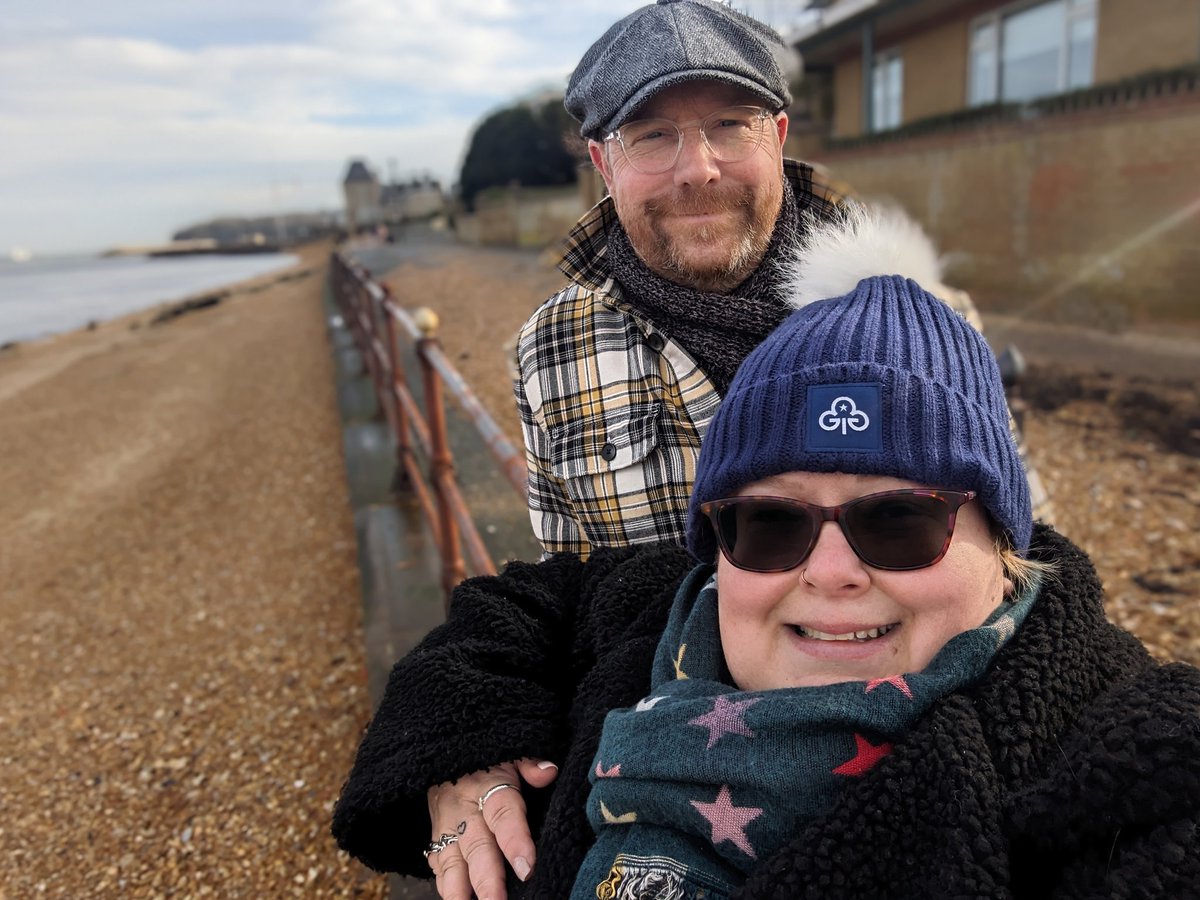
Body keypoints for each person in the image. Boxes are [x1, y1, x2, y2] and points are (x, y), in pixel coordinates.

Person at [332, 209, 1200, 899]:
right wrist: (465, 742)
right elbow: (519, 604)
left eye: (898, 521)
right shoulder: (670, 608)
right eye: (771, 525)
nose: (828, 571)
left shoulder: (1116, 763)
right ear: (718, 540)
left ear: (1004, 540)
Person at [513, 0, 1050, 559]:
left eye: (730, 124)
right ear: (604, 164)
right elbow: (566, 584)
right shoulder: (552, 345)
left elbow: (1027, 552)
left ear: (778, 135)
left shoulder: (934, 319)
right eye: (650, 135)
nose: (699, 169)